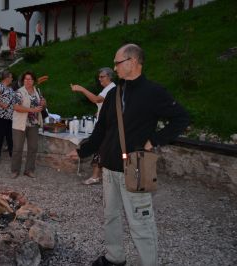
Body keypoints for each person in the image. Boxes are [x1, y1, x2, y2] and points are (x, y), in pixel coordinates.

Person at [68, 44, 189, 266]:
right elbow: (102, 130)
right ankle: (115, 258)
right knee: (110, 217)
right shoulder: (114, 93)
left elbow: (181, 118)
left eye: (118, 62)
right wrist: (81, 151)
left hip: (136, 167)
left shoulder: (154, 92)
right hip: (109, 168)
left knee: (140, 223)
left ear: (133, 62)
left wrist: (154, 140)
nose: (114, 67)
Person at [71, 67, 116, 185]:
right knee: (100, 148)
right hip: (106, 123)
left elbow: (96, 99)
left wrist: (82, 89)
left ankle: (95, 175)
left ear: (109, 77)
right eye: (99, 77)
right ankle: (98, 175)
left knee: (98, 147)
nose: (99, 79)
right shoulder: (109, 88)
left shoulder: (110, 88)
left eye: (102, 77)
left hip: (106, 126)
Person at [11, 71, 47, 178]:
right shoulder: (19, 92)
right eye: (26, 79)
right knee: (17, 148)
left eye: (30, 79)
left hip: (33, 124)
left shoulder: (37, 91)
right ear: (22, 81)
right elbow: (16, 107)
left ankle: (29, 170)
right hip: (20, 124)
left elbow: (41, 106)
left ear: (33, 81)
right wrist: (32, 109)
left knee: (33, 147)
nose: (27, 81)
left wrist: (43, 104)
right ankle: (15, 170)